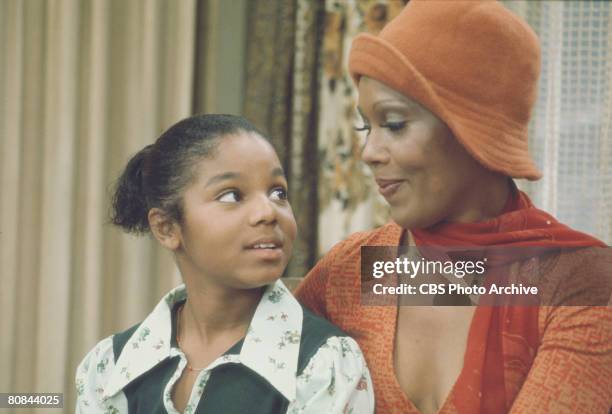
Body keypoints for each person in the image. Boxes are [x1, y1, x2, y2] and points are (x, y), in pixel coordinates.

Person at [295, 1, 612, 413]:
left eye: (393, 124)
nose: (369, 152)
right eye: (364, 126)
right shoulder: (351, 272)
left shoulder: (578, 285)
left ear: (474, 129)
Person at [75, 114, 374, 414]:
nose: (268, 212)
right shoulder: (108, 368)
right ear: (167, 228)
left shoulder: (325, 365)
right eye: (232, 195)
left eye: (278, 192)